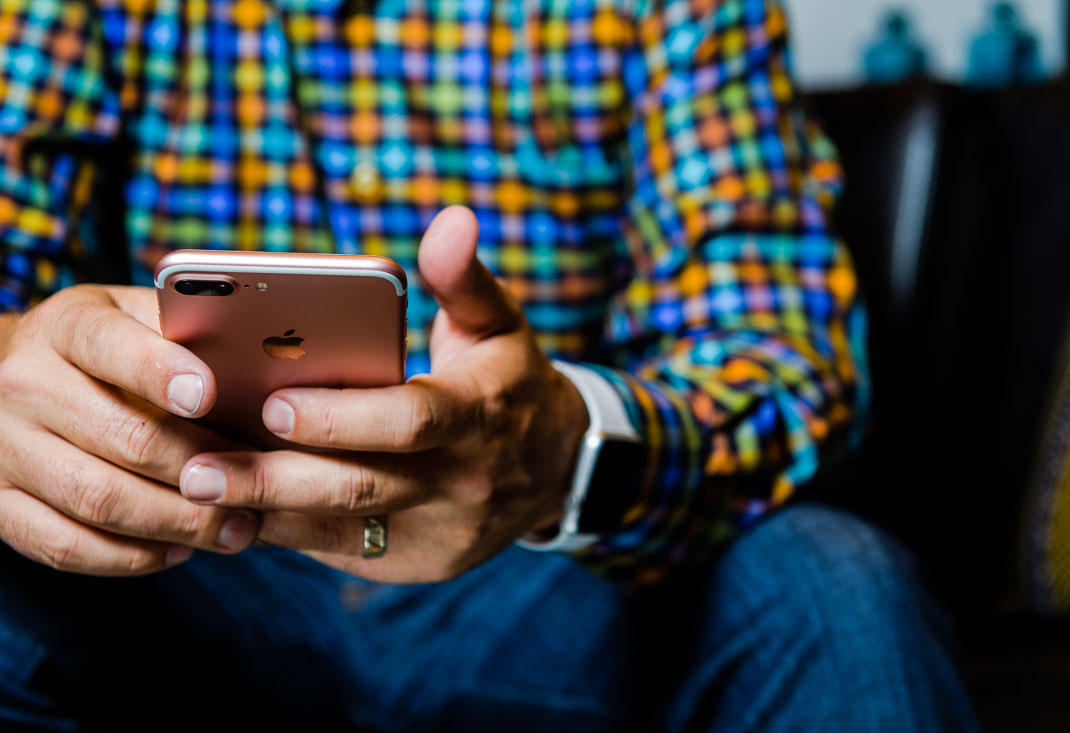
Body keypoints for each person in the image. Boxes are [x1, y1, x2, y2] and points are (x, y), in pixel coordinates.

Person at [0, 0, 979, 729]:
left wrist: (565, 448)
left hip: (548, 572)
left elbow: (782, 350)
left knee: (837, 581)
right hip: (198, 559)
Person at [863, 11, 929, 84]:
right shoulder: (875, 53)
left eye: (898, 27)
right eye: (894, 27)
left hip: (909, 90)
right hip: (879, 90)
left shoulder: (916, 53)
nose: (896, 31)